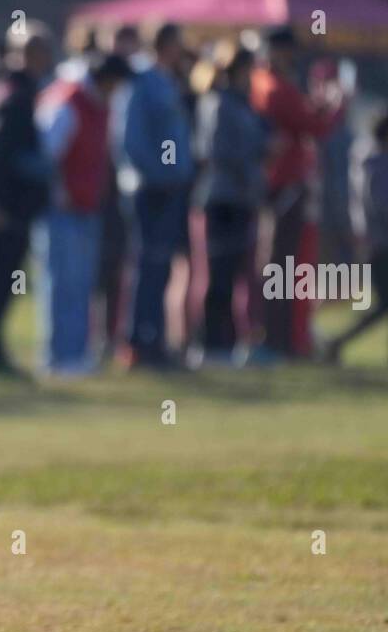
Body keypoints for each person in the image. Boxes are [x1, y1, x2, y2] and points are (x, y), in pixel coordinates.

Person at [250, 26, 344, 358]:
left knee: (281, 266)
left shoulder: (265, 83)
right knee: (284, 267)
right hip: (286, 186)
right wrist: (335, 107)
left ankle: (281, 337)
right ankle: (281, 339)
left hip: (278, 186)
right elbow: (314, 126)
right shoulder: (275, 87)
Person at [35, 44, 129, 374]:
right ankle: (58, 357)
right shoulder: (68, 102)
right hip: (63, 208)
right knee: (61, 282)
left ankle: (75, 353)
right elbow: (48, 153)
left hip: (89, 206)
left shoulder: (100, 104)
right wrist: (60, 191)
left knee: (81, 283)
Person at [0, 21, 51, 377]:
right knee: (1, 278)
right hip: (6, 205)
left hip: (3, 202)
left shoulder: (4, 88)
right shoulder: (16, 95)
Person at [120, 22, 194, 368]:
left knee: (162, 267)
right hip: (151, 190)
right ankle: (139, 342)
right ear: (166, 43)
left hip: (172, 188)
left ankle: (156, 339)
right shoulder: (143, 79)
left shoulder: (168, 80)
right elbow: (132, 139)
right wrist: (157, 175)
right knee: (148, 264)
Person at [193, 43, 266, 362]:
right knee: (219, 275)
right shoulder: (219, 103)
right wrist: (250, 162)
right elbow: (218, 152)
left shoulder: (242, 104)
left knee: (236, 274)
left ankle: (230, 343)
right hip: (223, 200)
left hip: (242, 199)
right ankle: (210, 345)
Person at [324, 111, 388, 364]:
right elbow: (384, 205)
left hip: (382, 243)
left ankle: (341, 343)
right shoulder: (378, 161)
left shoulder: (371, 159)